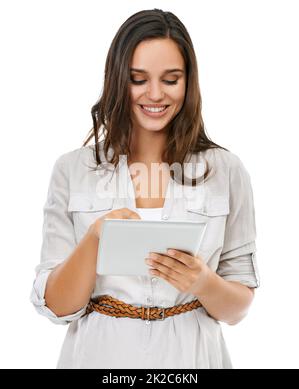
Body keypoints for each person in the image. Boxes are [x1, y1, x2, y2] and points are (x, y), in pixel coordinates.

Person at [29, 8, 260, 369]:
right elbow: (57, 307)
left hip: (193, 362)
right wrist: (94, 239)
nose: (155, 94)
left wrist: (203, 282)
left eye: (171, 79)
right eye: (138, 79)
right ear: (118, 80)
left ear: (189, 82)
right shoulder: (71, 170)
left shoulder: (226, 171)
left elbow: (239, 308)